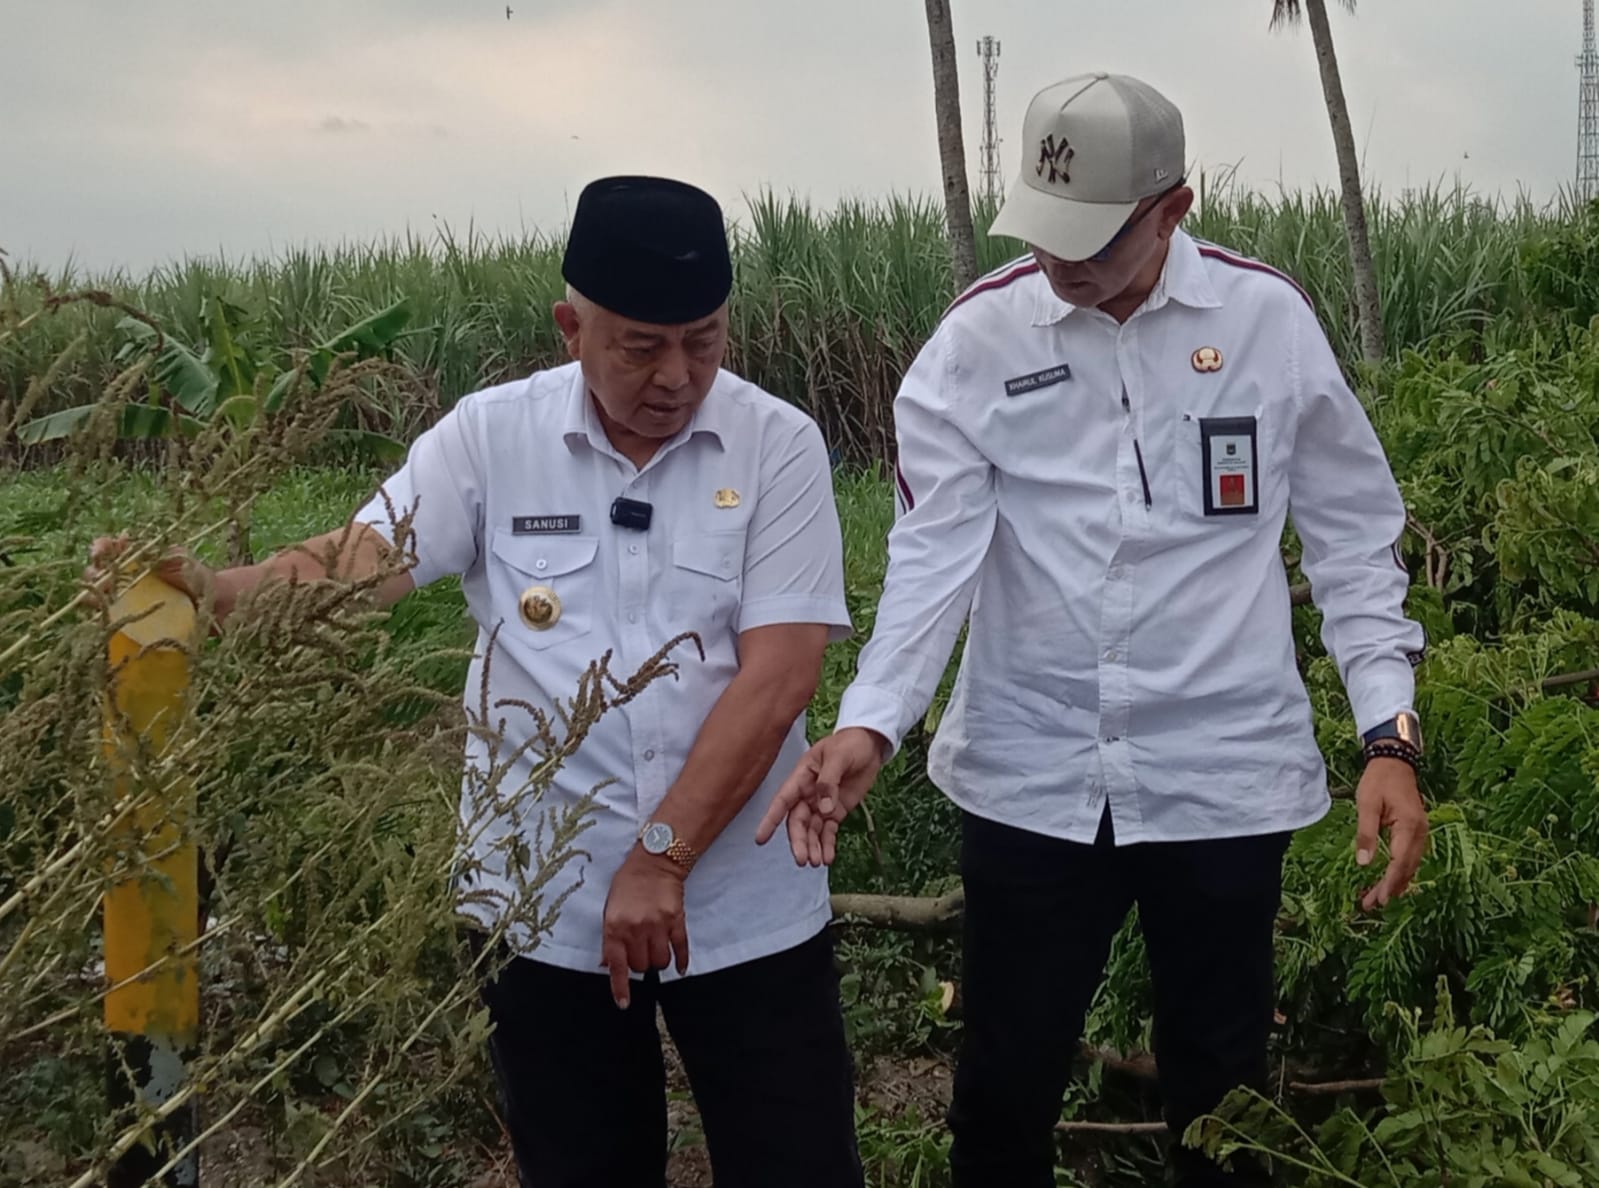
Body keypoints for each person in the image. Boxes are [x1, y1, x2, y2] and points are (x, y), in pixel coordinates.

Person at [96, 176, 864, 1188]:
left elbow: (779, 677)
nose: (679, 374)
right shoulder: (493, 438)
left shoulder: (778, 445)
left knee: (797, 1164)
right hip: (542, 909)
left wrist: (663, 858)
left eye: (705, 339)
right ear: (570, 327)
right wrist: (212, 592)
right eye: (643, 345)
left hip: (742, 908)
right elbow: (357, 562)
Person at [758, 73, 1430, 1187]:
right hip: (1034, 773)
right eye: (1048, 230)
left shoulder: (1266, 325)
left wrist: (1389, 738)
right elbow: (934, 559)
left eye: (1099, 238)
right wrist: (872, 723)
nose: (1064, 262)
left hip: (1220, 774)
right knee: (1005, 1082)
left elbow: (1356, 543)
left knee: (1219, 1088)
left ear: (1174, 207)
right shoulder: (980, 340)